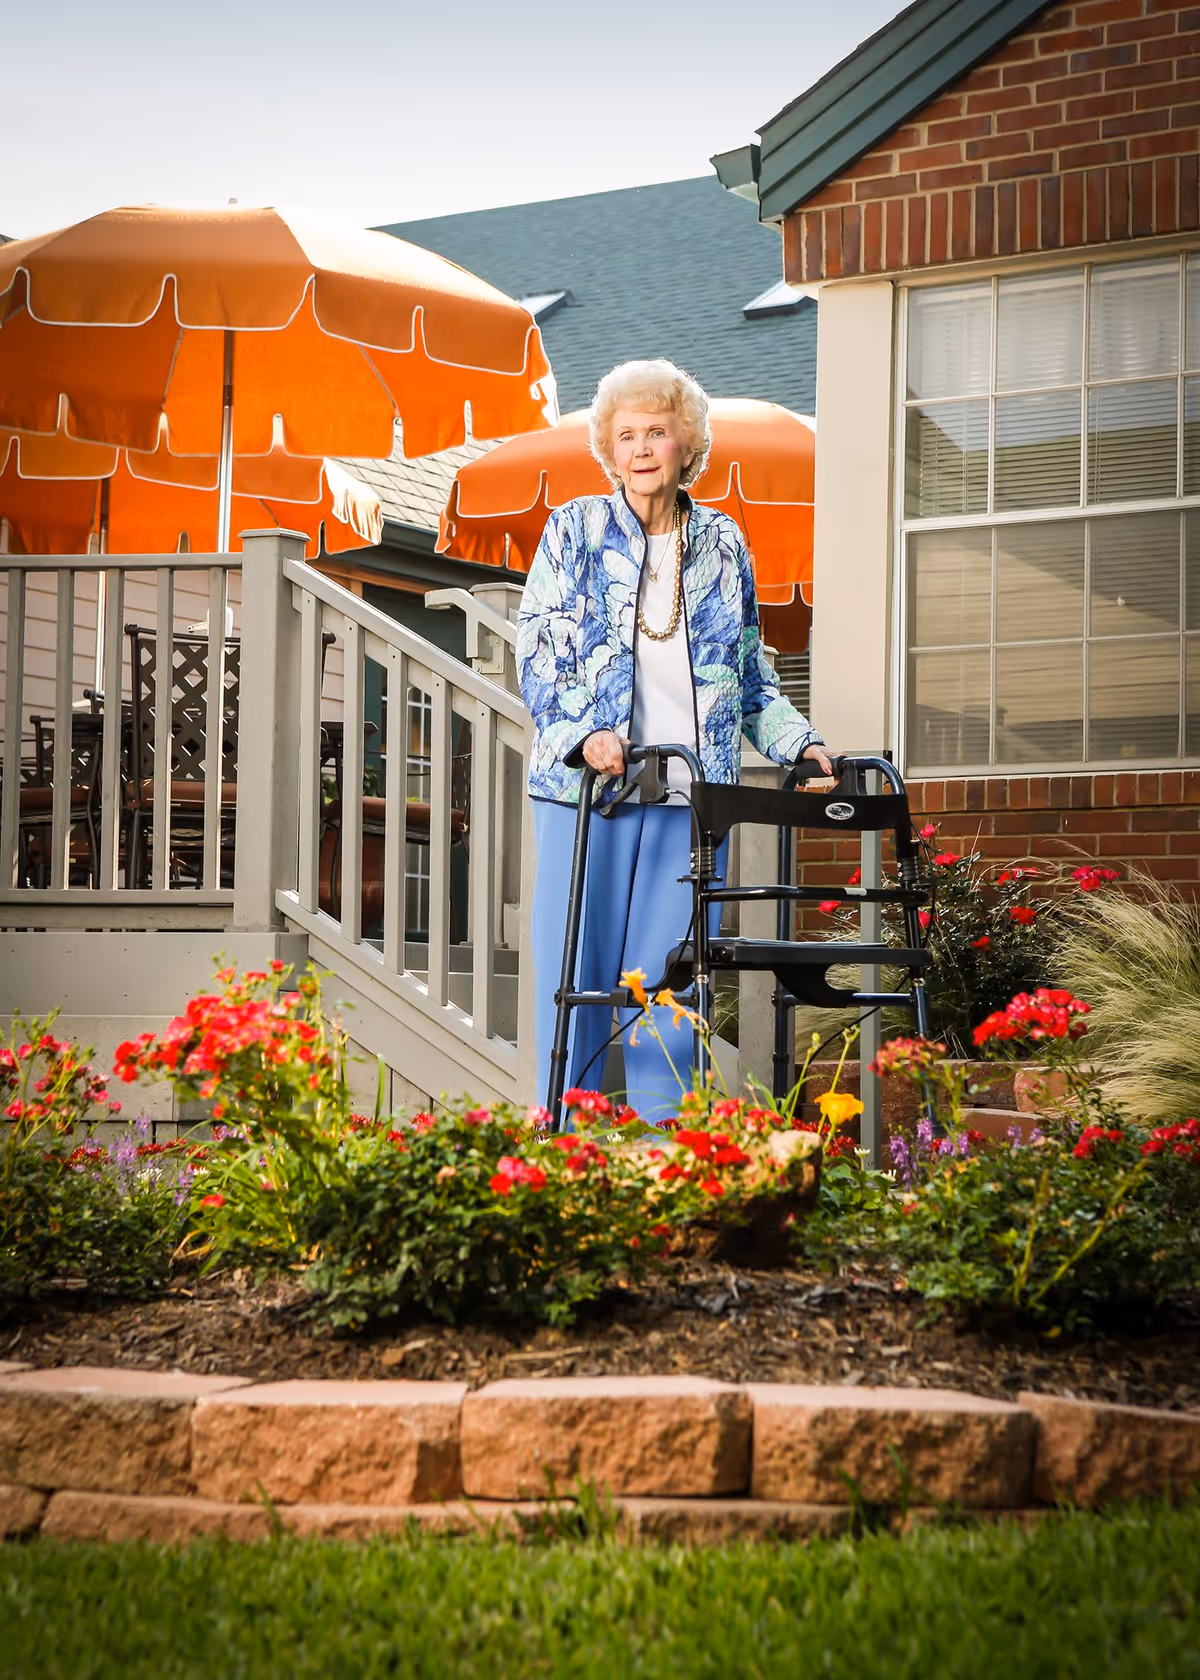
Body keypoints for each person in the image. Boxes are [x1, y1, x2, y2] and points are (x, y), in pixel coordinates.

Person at [516, 358, 832, 1118]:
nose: (642, 447)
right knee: (581, 981)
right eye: (626, 435)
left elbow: (750, 675)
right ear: (609, 449)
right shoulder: (575, 531)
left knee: (670, 990)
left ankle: (667, 1158)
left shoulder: (723, 544)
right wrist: (584, 732)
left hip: (689, 803)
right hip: (588, 795)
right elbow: (536, 649)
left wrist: (801, 743)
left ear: (687, 442)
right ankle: (566, 1154)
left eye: (657, 431)